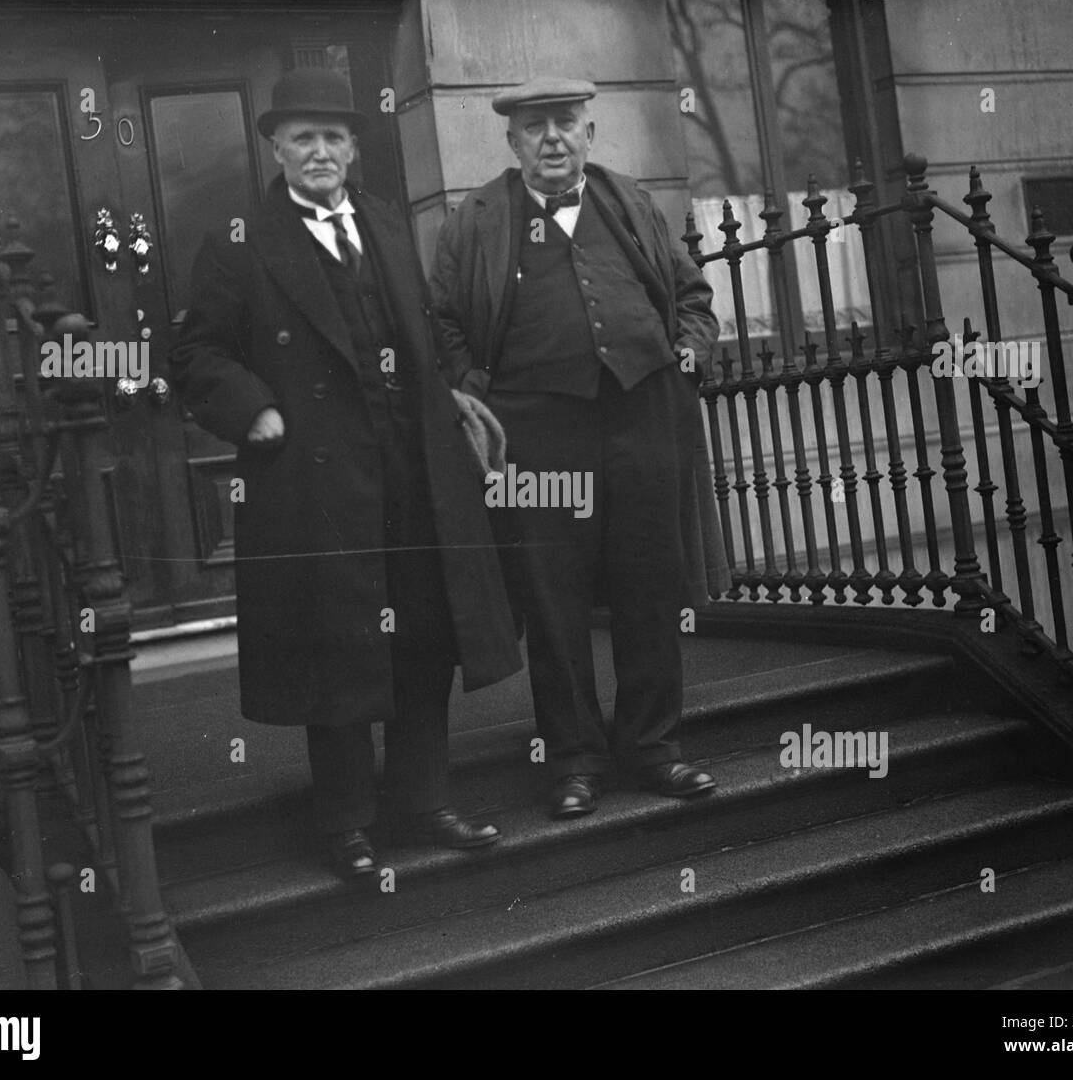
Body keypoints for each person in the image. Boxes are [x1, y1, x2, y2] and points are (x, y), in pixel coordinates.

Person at [170, 68, 522, 878]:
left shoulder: (388, 224)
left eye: (333, 137)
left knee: (425, 636)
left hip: (414, 472)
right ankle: (346, 825)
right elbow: (193, 351)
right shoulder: (238, 243)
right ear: (277, 149)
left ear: (354, 148)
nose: (320, 152)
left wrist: (451, 398)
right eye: (302, 138)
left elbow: (426, 331)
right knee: (337, 649)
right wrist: (253, 408)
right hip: (315, 483)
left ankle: (423, 801)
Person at [431, 76, 721, 820]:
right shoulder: (480, 219)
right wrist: (480, 395)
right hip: (538, 433)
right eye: (535, 127)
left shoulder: (629, 202)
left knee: (649, 583)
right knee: (553, 597)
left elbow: (692, 299)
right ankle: (574, 760)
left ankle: (654, 746)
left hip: (643, 413)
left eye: (566, 123)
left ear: (589, 132)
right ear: (513, 141)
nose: (553, 138)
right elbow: (444, 323)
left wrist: (687, 354)